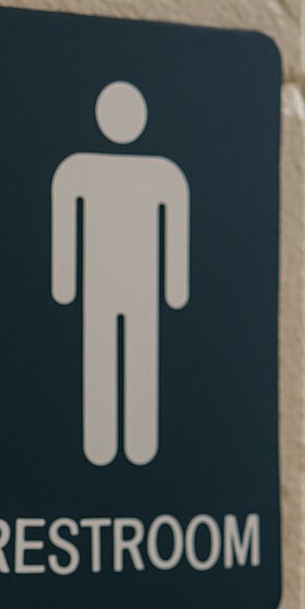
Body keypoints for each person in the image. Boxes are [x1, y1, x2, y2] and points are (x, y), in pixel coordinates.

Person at [51, 81, 190, 466]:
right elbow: (65, 227)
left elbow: (176, 233)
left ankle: (140, 444)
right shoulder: (76, 169)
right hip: (101, 286)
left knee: (140, 357)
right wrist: (63, 285)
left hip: (139, 287)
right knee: (100, 357)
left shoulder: (164, 175)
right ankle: (100, 444)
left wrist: (176, 287)